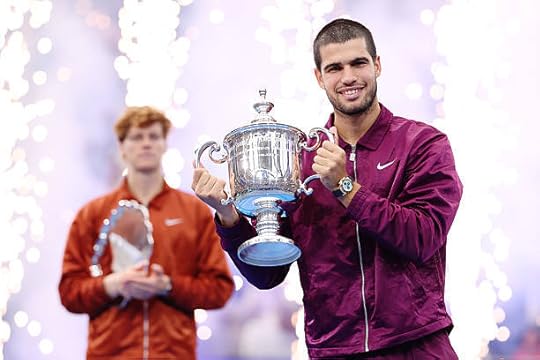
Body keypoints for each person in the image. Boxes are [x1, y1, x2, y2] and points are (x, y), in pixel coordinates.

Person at [192, 18, 463, 359]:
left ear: (377, 66)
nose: (348, 77)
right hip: (334, 349)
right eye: (335, 68)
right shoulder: (300, 161)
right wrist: (228, 216)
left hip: (415, 345)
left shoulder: (422, 144)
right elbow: (268, 274)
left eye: (358, 63)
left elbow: (423, 238)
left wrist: (346, 187)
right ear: (319, 77)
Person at [59, 106, 234, 360]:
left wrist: (168, 286)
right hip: (109, 353)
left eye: (154, 136)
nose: (146, 144)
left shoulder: (194, 211)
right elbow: (69, 292)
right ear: (121, 146)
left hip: (174, 353)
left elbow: (219, 289)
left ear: (164, 144)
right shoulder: (92, 214)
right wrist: (113, 285)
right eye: (137, 137)